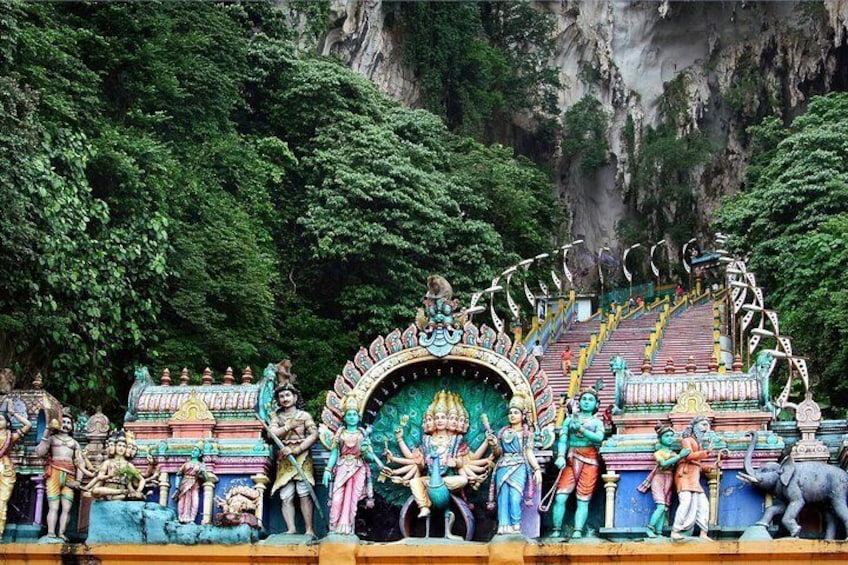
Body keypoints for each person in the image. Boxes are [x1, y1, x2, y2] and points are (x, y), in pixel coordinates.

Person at [322, 396, 387, 535]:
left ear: (358, 417)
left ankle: (348, 529)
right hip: (342, 467)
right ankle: (334, 528)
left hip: (358, 468)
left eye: (354, 415)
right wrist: (327, 469)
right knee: (336, 499)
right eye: (349, 415)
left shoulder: (362, 435)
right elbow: (334, 453)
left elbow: (368, 456)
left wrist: (370, 456)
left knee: (352, 501)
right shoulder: (340, 434)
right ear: (345, 418)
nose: (352, 417)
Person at [550, 390, 605, 538]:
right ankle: (556, 529)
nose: (586, 402)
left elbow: (599, 438)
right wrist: (560, 456)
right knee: (560, 496)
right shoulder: (569, 420)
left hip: (590, 460)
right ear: (579, 402)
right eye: (584, 399)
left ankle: (578, 530)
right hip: (570, 459)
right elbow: (563, 440)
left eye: (590, 400)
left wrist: (581, 429)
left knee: (583, 498)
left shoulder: (597, 422)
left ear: (596, 404)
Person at [488, 393, 542, 535]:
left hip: (519, 466)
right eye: (510, 413)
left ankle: (516, 525)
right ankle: (503, 526)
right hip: (503, 465)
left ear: (523, 415)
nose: (512, 415)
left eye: (516, 412)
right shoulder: (502, 432)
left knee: (515, 497)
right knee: (502, 497)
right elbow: (498, 452)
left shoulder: (526, 434)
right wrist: (493, 445)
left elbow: (529, 452)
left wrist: (536, 469)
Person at [269, 383, 318, 536]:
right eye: (281, 396)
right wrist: (288, 427)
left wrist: (297, 449)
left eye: (288, 395)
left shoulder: (304, 416)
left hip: (302, 456)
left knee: (304, 492)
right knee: (286, 494)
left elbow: (314, 435)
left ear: (295, 397)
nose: (285, 399)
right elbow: (272, 434)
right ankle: (291, 528)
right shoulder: (277, 417)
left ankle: (309, 529)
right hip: (285, 458)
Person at [35, 408, 85, 540]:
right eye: (64, 421)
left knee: (66, 507)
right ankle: (51, 532)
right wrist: (47, 430)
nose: (66, 425)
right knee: (54, 506)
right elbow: (40, 452)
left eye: (69, 422)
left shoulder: (74, 443)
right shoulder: (52, 439)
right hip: (54, 473)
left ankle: (62, 533)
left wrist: (78, 481)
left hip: (70, 475)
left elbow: (80, 462)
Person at [637, 424, 690, 537]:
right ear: (660, 438)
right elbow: (663, 463)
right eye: (667, 436)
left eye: (672, 436)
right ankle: (649, 529)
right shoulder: (659, 453)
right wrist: (679, 456)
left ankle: (659, 532)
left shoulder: (673, 453)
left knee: (665, 507)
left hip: (669, 478)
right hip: (659, 478)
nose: (670, 438)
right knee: (660, 506)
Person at [671, 416, 714, 540]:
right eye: (703, 424)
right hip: (684, 476)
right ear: (695, 426)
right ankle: (676, 530)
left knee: (703, 505)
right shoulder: (687, 440)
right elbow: (689, 456)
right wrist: (707, 452)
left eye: (707, 425)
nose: (706, 428)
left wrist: (709, 467)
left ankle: (703, 533)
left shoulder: (699, 444)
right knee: (686, 502)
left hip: (694, 478)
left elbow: (697, 464)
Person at [0, 406, 31, 537]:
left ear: (7, 423)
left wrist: (13, 413)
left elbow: (28, 425)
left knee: (1, 501)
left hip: (5, 469)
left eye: (0, 419)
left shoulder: (10, 437)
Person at [173, 442, 208, 523]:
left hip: (195, 484)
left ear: (200, 454)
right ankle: (181, 517)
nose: (193, 452)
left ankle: (191, 518)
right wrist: (177, 486)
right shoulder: (186, 464)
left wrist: (203, 472)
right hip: (184, 483)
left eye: (195, 450)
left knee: (195, 500)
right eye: (193, 450)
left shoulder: (201, 465)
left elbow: (206, 479)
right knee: (182, 500)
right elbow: (178, 474)